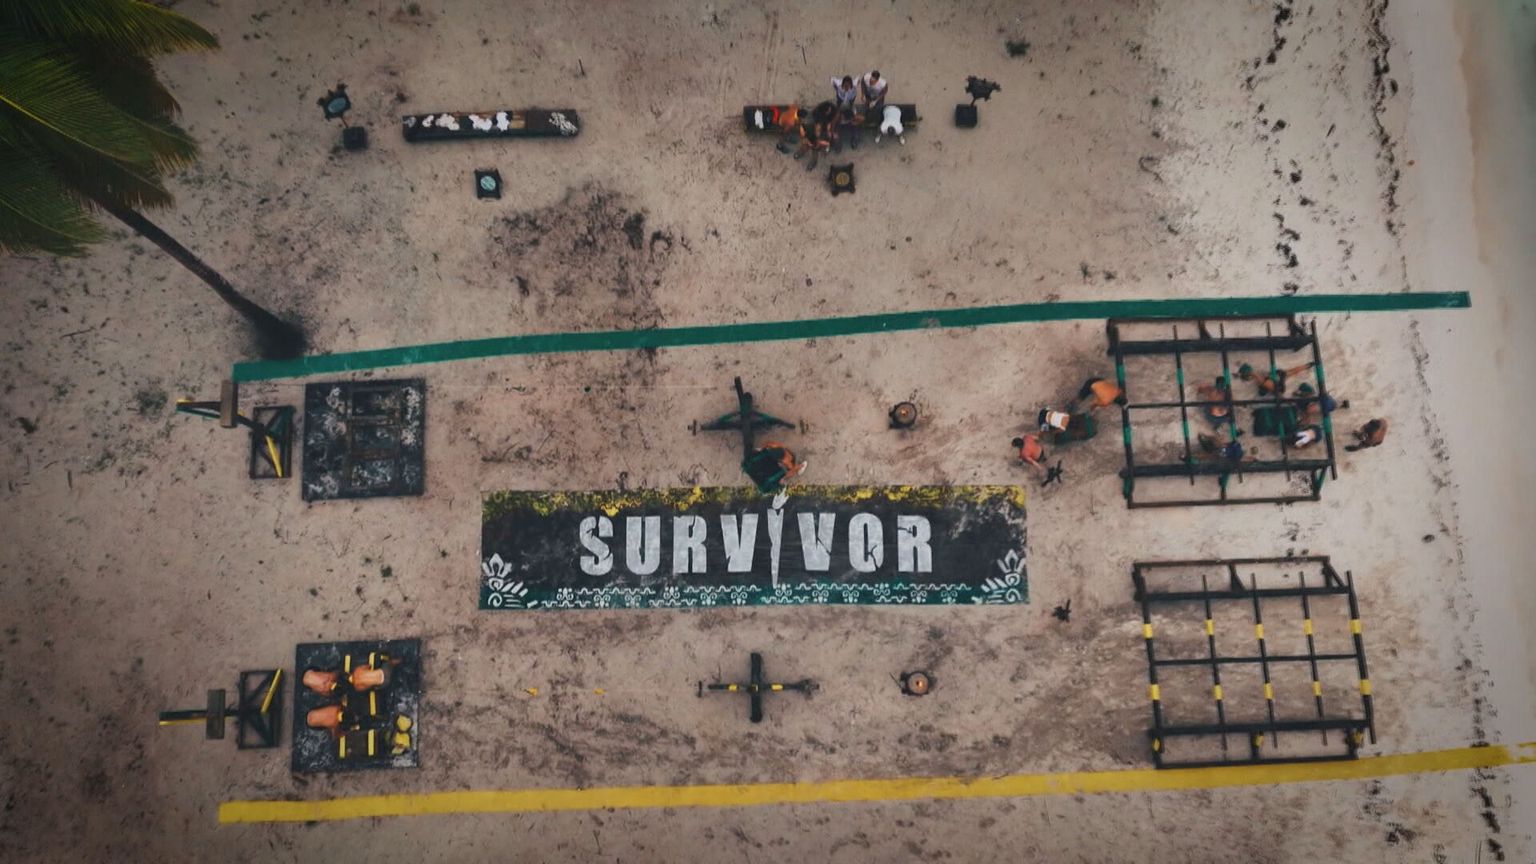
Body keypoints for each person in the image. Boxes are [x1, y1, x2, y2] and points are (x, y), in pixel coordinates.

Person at [794, 101, 838, 171]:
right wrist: (806, 137)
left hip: (818, 136)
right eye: (827, 110)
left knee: (815, 150)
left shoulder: (826, 120)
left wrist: (824, 141)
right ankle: (801, 153)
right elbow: (803, 127)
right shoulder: (812, 117)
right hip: (809, 133)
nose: (828, 112)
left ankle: (813, 162)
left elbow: (826, 132)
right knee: (805, 146)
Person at [1238, 361, 1316, 396]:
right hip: (1278, 383)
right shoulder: (1271, 381)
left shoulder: (1267, 383)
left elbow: (1258, 378)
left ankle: (1307, 365)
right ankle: (1308, 365)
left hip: (1277, 384)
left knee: (1291, 372)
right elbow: (1294, 370)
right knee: (1291, 372)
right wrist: (1307, 366)